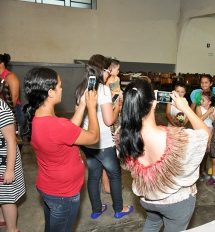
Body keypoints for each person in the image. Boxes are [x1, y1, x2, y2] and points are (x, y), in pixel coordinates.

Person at [119, 78, 210, 232]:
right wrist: (186, 108)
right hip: (175, 204)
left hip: (147, 198)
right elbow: (205, 135)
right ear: (154, 104)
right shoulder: (175, 138)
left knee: (153, 222)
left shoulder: (124, 135)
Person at [23, 67, 99, 232]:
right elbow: (93, 137)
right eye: (60, 85)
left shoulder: (38, 118)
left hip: (49, 187)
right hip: (63, 194)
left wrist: (83, 106)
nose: (62, 89)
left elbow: (67, 131)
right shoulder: (57, 125)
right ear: (50, 92)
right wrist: (92, 108)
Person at [76, 55, 133, 219]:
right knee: (115, 175)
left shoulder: (81, 88)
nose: (109, 74)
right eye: (108, 70)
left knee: (94, 176)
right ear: (102, 70)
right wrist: (118, 107)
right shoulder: (103, 89)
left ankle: (96, 210)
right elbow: (109, 120)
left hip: (88, 141)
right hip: (104, 142)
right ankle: (118, 209)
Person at [0, 79, 25, 232]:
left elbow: (11, 142)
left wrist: (9, 170)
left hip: (5, 163)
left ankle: (12, 229)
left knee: (8, 199)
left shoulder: (1, 110)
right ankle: (2, 219)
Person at [102, 58, 123, 194]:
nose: (118, 71)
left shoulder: (118, 79)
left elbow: (119, 90)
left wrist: (120, 95)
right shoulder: (108, 81)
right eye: (117, 69)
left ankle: (116, 148)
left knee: (118, 130)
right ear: (111, 69)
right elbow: (108, 95)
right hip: (111, 107)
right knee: (111, 132)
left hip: (117, 107)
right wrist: (116, 95)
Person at [0, 53, 24, 138]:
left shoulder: (11, 77)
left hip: (13, 111)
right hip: (3, 111)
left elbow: (14, 97)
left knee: (13, 140)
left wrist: (6, 114)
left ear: (2, 63)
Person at [196, 91, 215, 181]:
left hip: (209, 134)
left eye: (203, 100)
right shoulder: (198, 108)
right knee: (200, 153)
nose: (201, 101)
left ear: (209, 102)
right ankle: (198, 172)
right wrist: (208, 112)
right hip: (201, 133)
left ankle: (203, 170)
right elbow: (200, 119)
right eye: (201, 99)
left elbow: (213, 120)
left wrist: (211, 112)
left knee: (206, 153)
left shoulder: (213, 109)